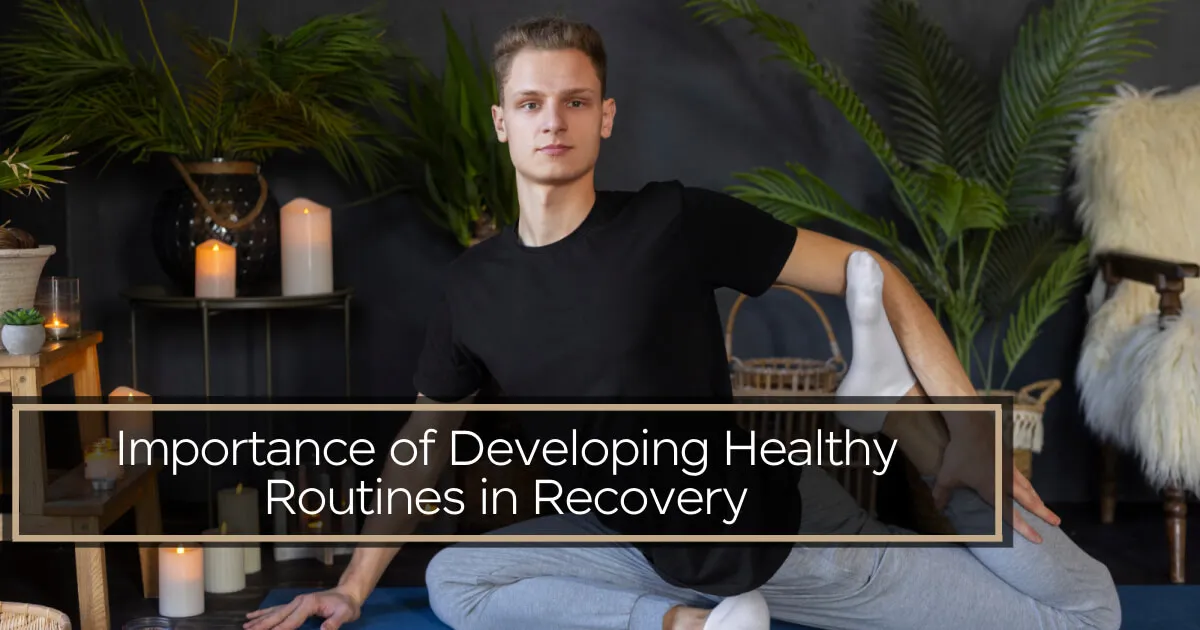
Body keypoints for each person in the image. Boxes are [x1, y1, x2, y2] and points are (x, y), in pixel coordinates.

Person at [244, 15, 1120, 630]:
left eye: (577, 101)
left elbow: (869, 272)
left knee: (1089, 614)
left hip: (771, 537)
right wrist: (354, 587)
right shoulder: (473, 285)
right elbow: (425, 440)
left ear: (606, 117)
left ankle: (896, 416)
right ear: (502, 121)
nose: (555, 119)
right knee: (454, 578)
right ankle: (691, 626)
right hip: (639, 546)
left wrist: (962, 414)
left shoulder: (670, 221)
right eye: (534, 102)